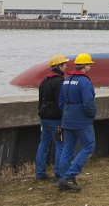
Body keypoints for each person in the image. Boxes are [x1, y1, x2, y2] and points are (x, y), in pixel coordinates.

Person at [56, 53, 98, 192]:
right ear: (85, 66)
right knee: (89, 146)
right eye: (89, 65)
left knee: (67, 149)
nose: (90, 67)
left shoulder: (67, 80)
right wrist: (92, 114)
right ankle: (68, 177)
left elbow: (61, 102)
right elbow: (88, 103)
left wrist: (68, 113)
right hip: (81, 120)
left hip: (67, 118)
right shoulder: (85, 82)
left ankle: (63, 178)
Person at [34, 54, 68, 181]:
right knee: (60, 145)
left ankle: (40, 173)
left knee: (43, 145)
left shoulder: (44, 81)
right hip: (55, 119)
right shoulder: (59, 82)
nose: (66, 66)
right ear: (59, 66)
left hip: (44, 118)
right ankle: (58, 173)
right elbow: (61, 102)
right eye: (64, 64)